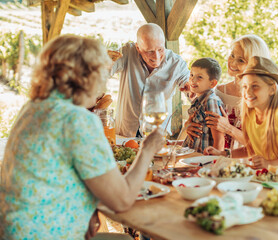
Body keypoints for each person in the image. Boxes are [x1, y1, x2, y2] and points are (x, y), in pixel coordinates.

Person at [0, 35, 164, 239]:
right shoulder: (77, 120)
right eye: (103, 72)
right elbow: (121, 201)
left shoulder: (33, 108)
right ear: (87, 76)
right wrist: (147, 149)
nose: (105, 80)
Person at [204, 56, 278, 171]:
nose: (248, 92)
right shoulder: (250, 114)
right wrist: (222, 154)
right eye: (245, 86)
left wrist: (269, 163)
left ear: (272, 89)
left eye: (255, 86)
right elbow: (252, 148)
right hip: (268, 177)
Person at [186, 35, 271, 149]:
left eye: (241, 60)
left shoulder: (264, 97)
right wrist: (189, 126)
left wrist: (229, 129)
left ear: (255, 64)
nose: (232, 63)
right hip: (219, 160)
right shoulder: (219, 91)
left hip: (249, 163)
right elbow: (203, 122)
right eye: (232, 55)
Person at [110, 23, 190, 137]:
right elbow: (105, 70)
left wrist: (190, 88)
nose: (156, 56)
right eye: (150, 51)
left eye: (160, 49)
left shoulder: (176, 63)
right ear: (138, 47)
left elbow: (189, 82)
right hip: (125, 133)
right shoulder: (128, 52)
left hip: (157, 134)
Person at [182, 58, 225, 153]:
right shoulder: (198, 101)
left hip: (204, 160)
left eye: (199, 77)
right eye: (191, 75)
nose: (193, 80)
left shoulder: (210, 101)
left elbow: (219, 140)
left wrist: (214, 163)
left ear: (212, 83)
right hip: (193, 157)